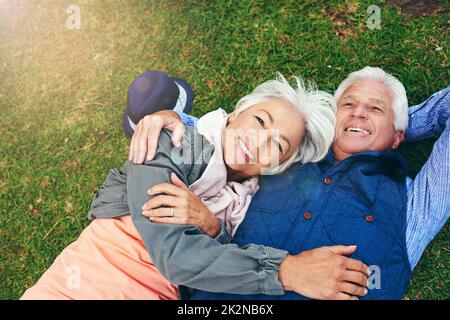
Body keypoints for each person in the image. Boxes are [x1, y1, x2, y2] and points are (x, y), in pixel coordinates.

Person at [127, 67, 449, 299]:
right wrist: (170, 120)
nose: (359, 113)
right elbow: (240, 138)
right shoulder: (283, 158)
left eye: (375, 108)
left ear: (398, 137)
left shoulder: (414, 201)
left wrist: (400, 124)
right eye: (347, 105)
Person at [21, 72, 337, 299]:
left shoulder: (245, 201)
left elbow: (207, 266)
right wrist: (285, 271)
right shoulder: (168, 141)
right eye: (260, 121)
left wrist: (213, 228)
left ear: (278, 164)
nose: (257, 141)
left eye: (277, 145)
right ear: (239, 109)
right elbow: (176, 258)